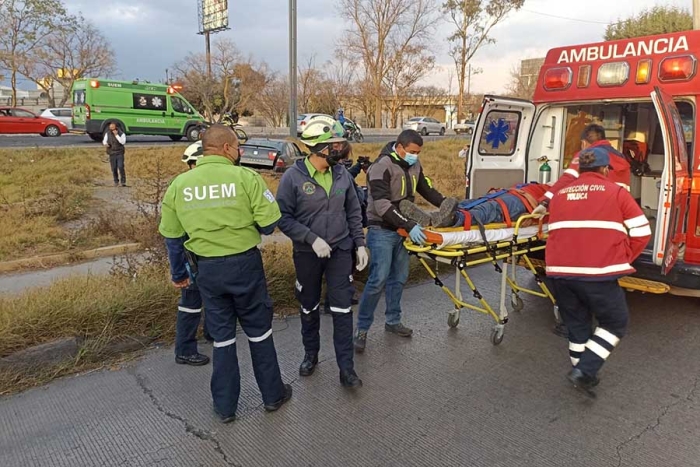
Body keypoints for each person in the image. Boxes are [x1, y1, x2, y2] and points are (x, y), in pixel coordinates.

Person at [159, 124, 292, 423]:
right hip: (244, 265)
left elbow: (172, 236)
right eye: (237, 147)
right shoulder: (246, 177)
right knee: (259, 332)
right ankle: (272, 396)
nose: (239, 152)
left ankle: (225, 407)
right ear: (228, 148)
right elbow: (270, 224)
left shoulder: (180, 185)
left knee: (222, 338)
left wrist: (179, 272)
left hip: (206, 269)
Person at [545, 147, 651, 398]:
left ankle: (582, 373)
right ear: (605, 170)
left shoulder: (559, 195)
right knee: (615, 322)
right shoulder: (616, 192)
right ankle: (584, 371)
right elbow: (641, 232)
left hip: (559, 273)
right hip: (598, 273)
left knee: (578, 325)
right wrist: (622, 257)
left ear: (580, 169)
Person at [277, 117, 368, 388]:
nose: (340, 149)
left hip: (340, 250)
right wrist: (310, 238)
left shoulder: (341, 174)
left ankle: (346, 369)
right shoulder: (292, 178)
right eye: (334, 145)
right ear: (317, 148)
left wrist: (359, 244)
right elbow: (282, 217)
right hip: (308, 253)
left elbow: (353, 211)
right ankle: (311, 353)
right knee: (309, 304)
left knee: (342, 308)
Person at [354, 129, 452, 352]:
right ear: (399, 147)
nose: (415, 155)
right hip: (383, 230)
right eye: (412, 152)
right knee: (378, 279)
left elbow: (426, 190)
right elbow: (382, 205)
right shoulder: (381, 167)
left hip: (405, 229)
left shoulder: (414, 165)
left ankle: (393, 321)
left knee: (399, 277)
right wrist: (408, 225)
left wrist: (447, 204)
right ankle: (361, 328)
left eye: (418, 152)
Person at [164, 147, 212, 368]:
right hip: (192, 259)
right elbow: (173, 239)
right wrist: (179, 273)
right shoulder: (185, 187)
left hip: (202, 257)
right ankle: (184, 350)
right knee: (191, 305)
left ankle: (212, 333)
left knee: (212, 299)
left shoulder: (182, 186)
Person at [533, 123, 631, 217]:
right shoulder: (621, 157)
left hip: (592, 208)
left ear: (583, 142)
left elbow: (567, 179)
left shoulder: (587, 155)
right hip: (616, 208)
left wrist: (545, 201)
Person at [399, 182, 549, 229]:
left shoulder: (561, 190)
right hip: (514, 193)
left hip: (526, 202)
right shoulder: (546, 184)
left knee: (492, 209)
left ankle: (455, 219)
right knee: (471, 202)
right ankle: (432, 218)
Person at [103, 123, 127, 187]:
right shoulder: (107, 134)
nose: (111, 129)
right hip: (112, 153)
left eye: (113, 128)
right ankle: (116, 181)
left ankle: (123, 181)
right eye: (110, 128)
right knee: (114, 168)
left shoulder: (122, 134)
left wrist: (116, 135)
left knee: (121, 166)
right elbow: (104, 141)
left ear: (116, 127)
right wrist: (105, 144)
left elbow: (122, 142)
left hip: (119, 153)